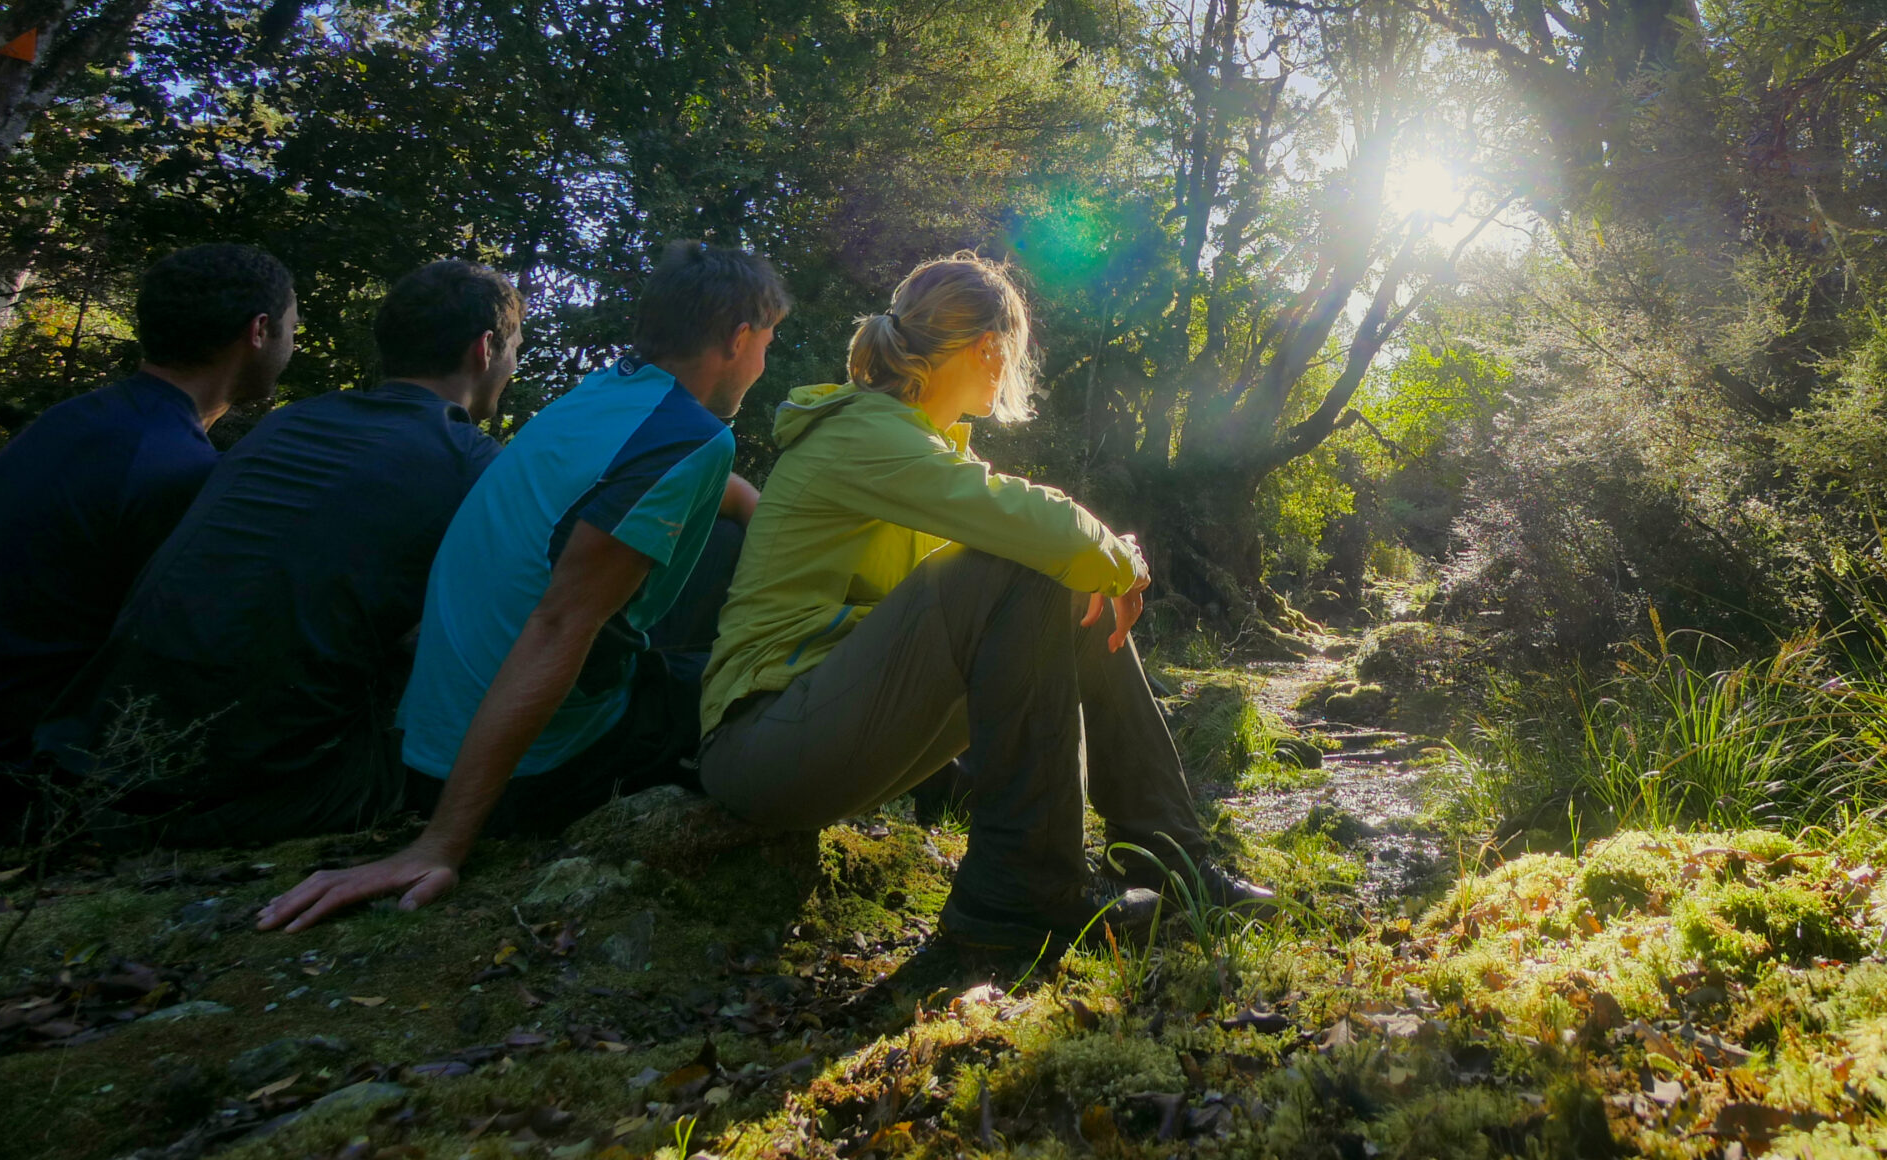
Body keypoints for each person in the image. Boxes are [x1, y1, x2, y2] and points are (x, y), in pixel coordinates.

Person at [694, 251, 1269, 958]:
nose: (1010, 371)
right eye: (1010, 354)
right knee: (1028, 562)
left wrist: (1093, 564)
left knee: (1055, 578)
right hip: (765, 743)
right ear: (987, 350)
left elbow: (1028, 536)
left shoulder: (917, 447)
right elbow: (1024, 523)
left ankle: (1171, 860)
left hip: (827, 724)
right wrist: (1119, 561)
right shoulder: (861, 434)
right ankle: (1018, 891)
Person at [258, 242, 784, 932]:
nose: (765, 362)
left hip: (427, 734)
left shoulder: (606, 394)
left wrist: (762, 513)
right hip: (531, 768)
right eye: (768, 343)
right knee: (773, 686)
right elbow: (560, 625)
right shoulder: (690, 440)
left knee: (717, 547)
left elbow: (701, 490)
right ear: (740, 337)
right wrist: (442, 844)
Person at [37, 260, 523, 845]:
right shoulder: (471, 462)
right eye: (515, 347)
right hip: (258, 794)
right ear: (486, 347)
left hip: (93, 758)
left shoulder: (292, 423)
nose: (513, 367)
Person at [0, 244, 297, 798]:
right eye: (293, 327)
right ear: (259, 330)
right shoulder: (171, 467)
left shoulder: (75, 421)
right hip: (20, 771)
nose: (292, 343)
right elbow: (198, 648)